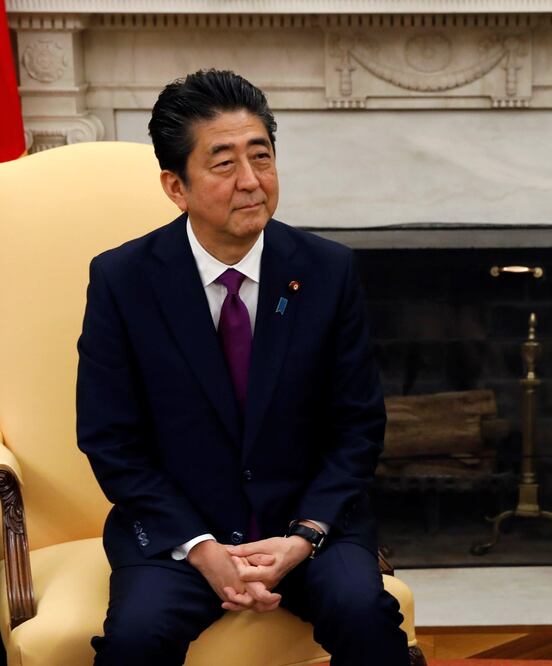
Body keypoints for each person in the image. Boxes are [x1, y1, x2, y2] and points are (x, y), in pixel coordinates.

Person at [76, 69, 408, 665]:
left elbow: (358, 427)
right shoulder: (123, 281)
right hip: (180, 534)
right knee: (134, 640)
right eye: (224, 163)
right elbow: (111, 439)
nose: (251, 181)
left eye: (262, 156)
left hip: (307, 528)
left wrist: (305, 535)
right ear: (176, 186)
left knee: (365, 616)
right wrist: (201, 547)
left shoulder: (327, 271)